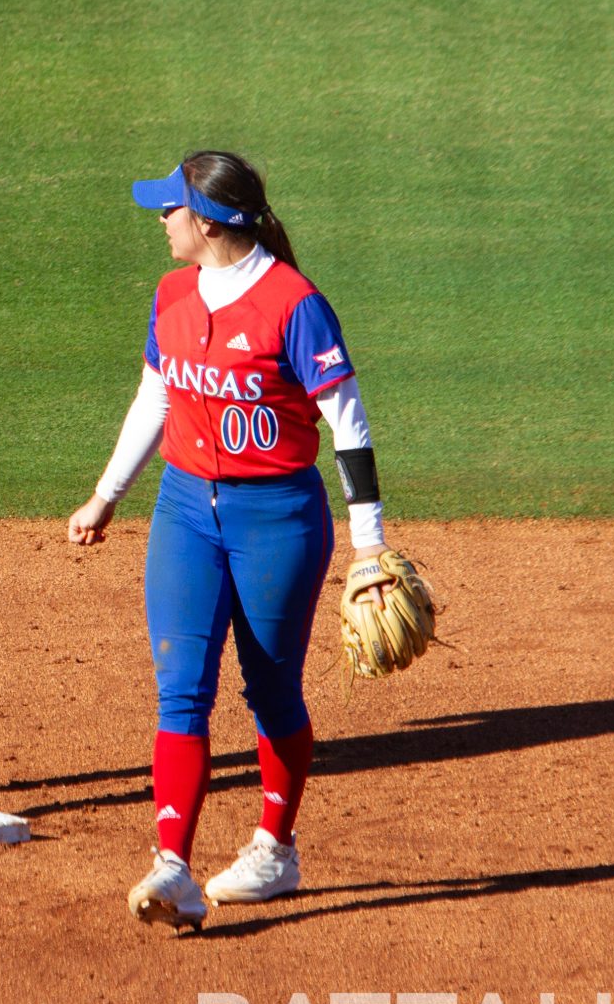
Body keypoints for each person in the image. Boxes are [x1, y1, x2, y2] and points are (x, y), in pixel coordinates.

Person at [65, 151, 397, 929]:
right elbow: (156, 393)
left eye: (171, 208)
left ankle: (275, 850)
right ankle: (172, 864)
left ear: (208, 221)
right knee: (181, 688)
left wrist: (369, 546)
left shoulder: (293, 302)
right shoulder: (172, 292)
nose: (161, 220)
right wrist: (106, 494)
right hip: (185, 511)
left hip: (277, 517)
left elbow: (349, 424)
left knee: (271, 688)